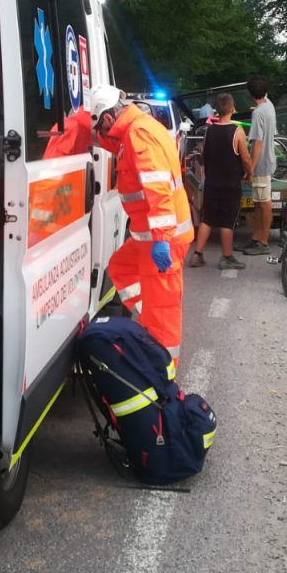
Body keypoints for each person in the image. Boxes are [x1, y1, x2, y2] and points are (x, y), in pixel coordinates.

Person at [92, 85, 194, 376]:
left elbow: (158, 189)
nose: (103, 131)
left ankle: (164, 374)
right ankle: (147, 322)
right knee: (121, 268)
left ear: (110, 117)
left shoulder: (138, 136)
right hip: (150, 237)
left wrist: (161, 240)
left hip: (162, 240)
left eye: (101, 124)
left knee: (163, 312)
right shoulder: (138, 129)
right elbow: (114, 145)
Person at [189, 93, 252, 270]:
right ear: (232, 108)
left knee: (207, 218)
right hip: (230, 184)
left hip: (212, 183)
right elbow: (246, 158)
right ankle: (226, 257)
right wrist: (249, 173)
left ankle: (197, 254)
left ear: (217, 110)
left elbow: (204, 155)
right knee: (227, 221)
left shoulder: (209, 131)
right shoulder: (237, 132)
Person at [239, 76, 277, 255]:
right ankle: (256, 237)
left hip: (261, 164)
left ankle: (263, 241)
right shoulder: (269, 105)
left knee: (264, 203)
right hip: (267, 160)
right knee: (258, 202)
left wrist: (250, 168)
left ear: (250, 94)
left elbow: (258, 143)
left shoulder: (258, 112)